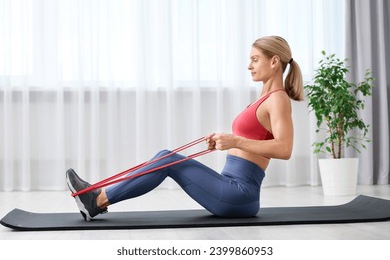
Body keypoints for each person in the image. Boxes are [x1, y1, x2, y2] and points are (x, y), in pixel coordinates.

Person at [66, 36, 304, 221]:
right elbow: (249, 142)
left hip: (240, 196)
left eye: (255, 59)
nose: (249, 65)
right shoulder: (262, 99)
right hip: (229, 185)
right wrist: (224, 141)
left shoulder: (277, 99)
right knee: (165, 157)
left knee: (166, 159)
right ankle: (98, 196)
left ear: (274, 61)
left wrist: (235, 141)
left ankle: (97, 201)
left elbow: (284, 149)